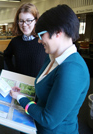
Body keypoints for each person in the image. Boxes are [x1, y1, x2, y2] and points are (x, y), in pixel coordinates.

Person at [10, 4, 90, 134]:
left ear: (58, 32)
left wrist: (20, 98)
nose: (39, 41)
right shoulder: (51, 57)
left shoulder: (73, 69)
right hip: (35, 127)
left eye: (41, 35)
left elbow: (49, 119)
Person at [4, 3, 47, 78]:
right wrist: (12, 71)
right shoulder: (15, 42)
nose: (24, 24)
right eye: (21, 21)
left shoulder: (44, 40)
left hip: (39, 84)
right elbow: (6, 55)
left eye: (28, 20)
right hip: (20, 84)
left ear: (36, 21)